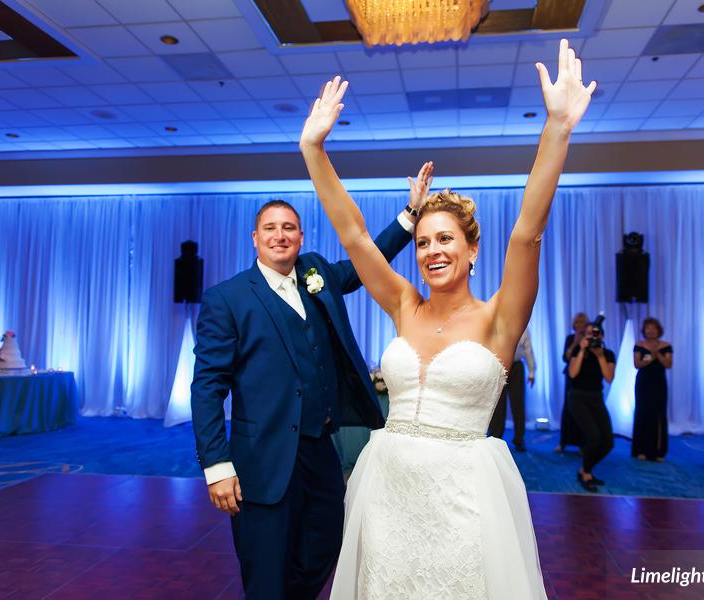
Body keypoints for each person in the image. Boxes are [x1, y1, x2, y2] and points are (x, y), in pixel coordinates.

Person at [299, 39, 594, 599]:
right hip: (386, 490)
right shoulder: (404, 303)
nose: (432, 250)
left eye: (446, 240)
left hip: (463, 499)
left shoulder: (499, 319)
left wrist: (557, 128)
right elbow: (356, 236)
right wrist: (313, 149)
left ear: (471, 249)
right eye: (424, 241)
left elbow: (527, 232)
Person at [190, 194, 418, 599]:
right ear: (255, 238)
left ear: (300, 235)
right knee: (266, 566)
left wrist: (410, 215)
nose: (280, 235)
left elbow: (369, 262)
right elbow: (207, 387)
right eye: (271, 228)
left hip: (317, 446)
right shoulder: (227, 299)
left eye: (289, 227)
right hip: (260, 457)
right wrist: (217, 464)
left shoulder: (317, 273)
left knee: (327, 540)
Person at [567, 322, 615, 492]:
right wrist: (581, 350)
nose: (592, 336)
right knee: (594, 436)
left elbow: (609, 378)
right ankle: (586, 473)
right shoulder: (578, 350)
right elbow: (572, 373)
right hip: (577, 398)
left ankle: (584, 470)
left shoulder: (607, 354)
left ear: (601, 336)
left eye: (595, 334)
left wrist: (600, 356)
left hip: (596, 398)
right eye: (588, 333)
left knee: (608, 442)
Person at [488, 328, 536, 451]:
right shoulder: (496, 324)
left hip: (516, 367)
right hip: (498, 366)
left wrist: (531, 372)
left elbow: (528, 349)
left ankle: (519, 439)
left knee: (518, 404)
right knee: (497, 405)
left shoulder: (522, 325)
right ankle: (495, 437)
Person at [632, 317, 672, 461]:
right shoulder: (639, 344)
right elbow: (637, 364)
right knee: (642, 413)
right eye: (648, 328)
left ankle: (658, 451)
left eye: (653, 328)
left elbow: (668, 364)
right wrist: (648, 359)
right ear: (644, 330)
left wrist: (657, 353)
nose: (651, 331)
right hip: (643, 382)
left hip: (659, 383)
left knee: (659, 415)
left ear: (658, 330)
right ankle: (640, 450)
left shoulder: (666, 345)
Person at [557, 312, 587, 452]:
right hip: (570, 376)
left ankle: (582, 444)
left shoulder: (588, 339)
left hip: (584, 377)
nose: (579, 325)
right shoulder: (570, 338)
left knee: (582, 410)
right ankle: (563, 442)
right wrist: (575, 342)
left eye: (582, 323)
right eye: (577, 323)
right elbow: (565, 357)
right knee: (568, 408)